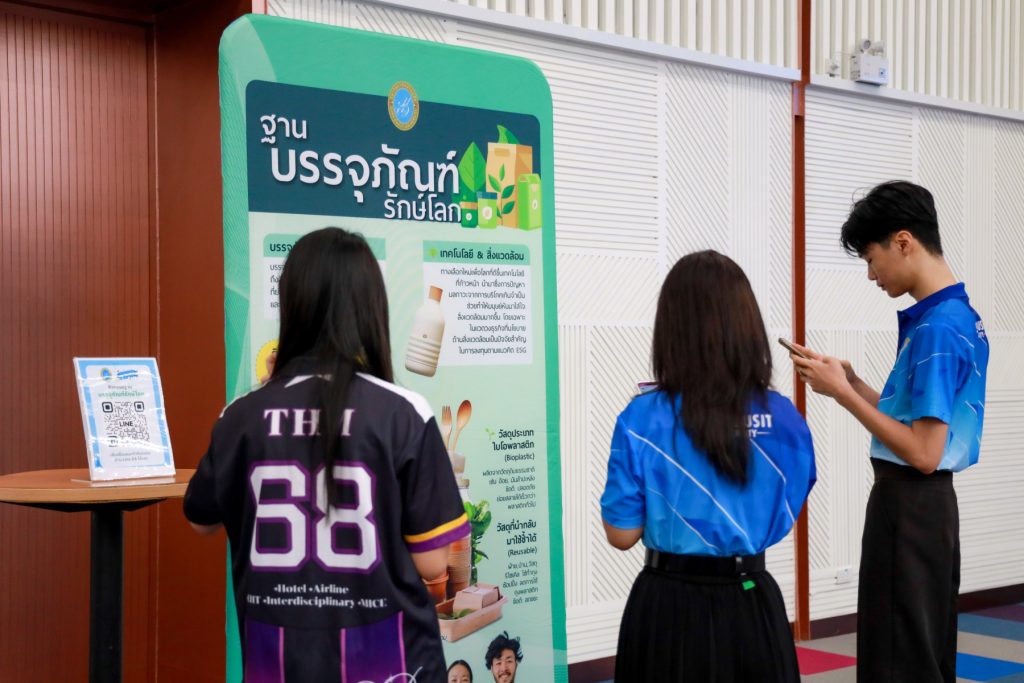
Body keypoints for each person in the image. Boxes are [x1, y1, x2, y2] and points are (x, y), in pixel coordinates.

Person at [183, 227, 469, 682]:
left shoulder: (241, 415)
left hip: (278, 662)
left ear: (293, 305)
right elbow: (433, 562)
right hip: (389, 662)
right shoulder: (403, 413)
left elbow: (201, 520)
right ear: (369, 307)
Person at [790, 181, 988, 683]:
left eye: (871, 259)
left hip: (910, 506)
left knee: (899, 661)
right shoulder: (955, 316)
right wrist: (855, 382)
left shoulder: (938, 328)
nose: (871, 275)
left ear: (903, 242)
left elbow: (923, 452)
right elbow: (919, 423)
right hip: (928, 510)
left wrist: (844, 395)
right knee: (921, 652)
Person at [600, 250, 816, 682]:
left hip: (667, 608)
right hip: (753, 603)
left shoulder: (641, 418)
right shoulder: (784, 418)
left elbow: (621, 535)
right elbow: (789, 506)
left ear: (672, 329)